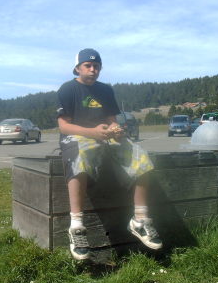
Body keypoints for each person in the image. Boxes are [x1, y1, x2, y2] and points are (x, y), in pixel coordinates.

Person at [56, 48, 162, 260]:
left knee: (140, 155)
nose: (93, 69)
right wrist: (92, 132)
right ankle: (76, 225)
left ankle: (139, 220)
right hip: (77, 136)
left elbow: (112, 119)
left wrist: (116, 129)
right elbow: (63, 126)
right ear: (78, 68)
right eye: (88, 65)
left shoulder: (105, 90)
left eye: (96, 66)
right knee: (79, 157)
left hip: (104, 136)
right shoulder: (68, 89)